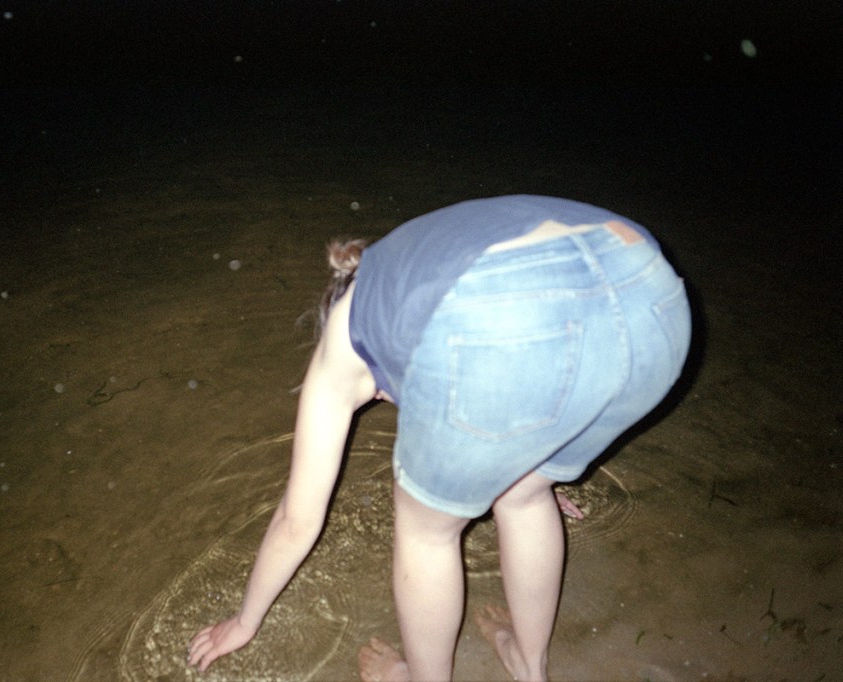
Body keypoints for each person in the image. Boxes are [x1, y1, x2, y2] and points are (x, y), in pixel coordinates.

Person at [188, 195, 691, 681]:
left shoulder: (343, 338)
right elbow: (570, 314)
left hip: (506, 315)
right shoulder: (408, 266)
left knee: (426, 531)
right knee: (524, 492)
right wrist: (525, 459)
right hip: (654, 298)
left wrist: (245, 621)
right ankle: (529, 665)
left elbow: (296, 520)